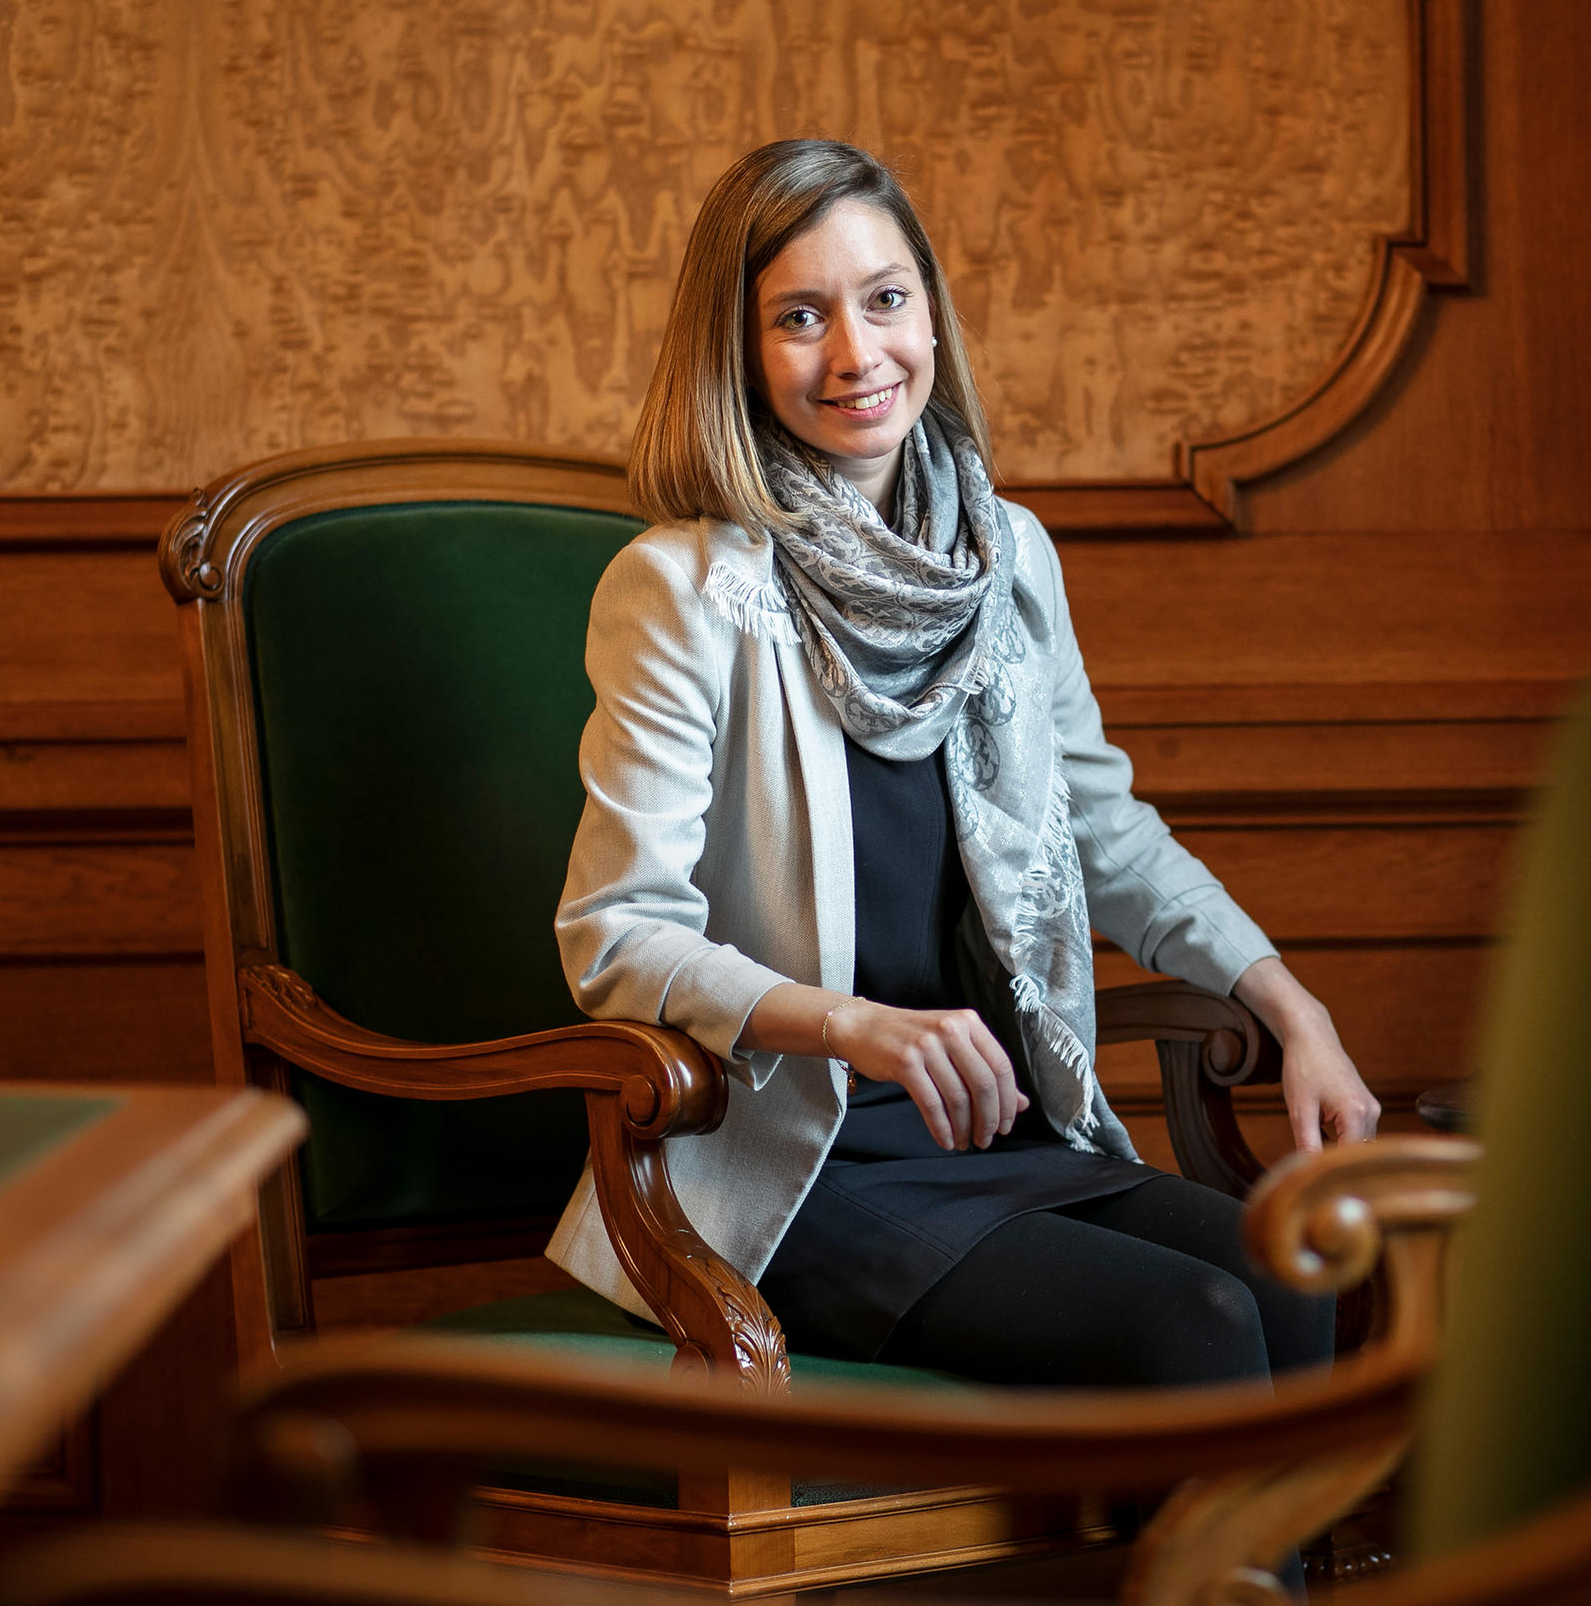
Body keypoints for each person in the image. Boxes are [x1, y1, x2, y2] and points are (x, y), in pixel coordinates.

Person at [546, 138, 1380, 1389]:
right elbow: (614, 935)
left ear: (929, 312)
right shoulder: (684, 591)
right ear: (738, 350)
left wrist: (1288, 1006)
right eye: (798, 317)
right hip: (790, 1160)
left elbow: (1105, 829)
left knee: (1291, 1271)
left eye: (884, 299)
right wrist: (859, 1028)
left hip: (995, 1128)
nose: (854, 354)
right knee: (1190, 1325)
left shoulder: (1006, 555)